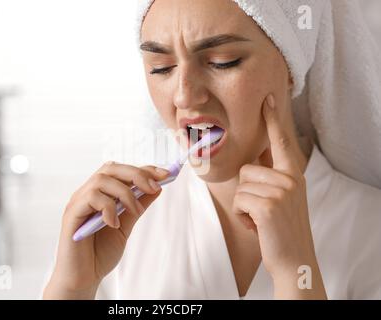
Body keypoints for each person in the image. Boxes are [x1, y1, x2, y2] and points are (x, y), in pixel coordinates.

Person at [42, 0, 381, 299]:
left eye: (223, 61)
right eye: (161, 68)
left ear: (292, 65)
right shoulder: (118, 228)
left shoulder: (370, 230)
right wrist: (71, 290)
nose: (184, 96)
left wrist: (297, 274)